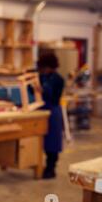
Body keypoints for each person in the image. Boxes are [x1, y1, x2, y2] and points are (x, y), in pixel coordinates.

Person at [37, 51, 64, 179]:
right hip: (41, 110)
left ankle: (51, 168)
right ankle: (38, 165)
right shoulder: (41, 76)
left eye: (45, 68)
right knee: (40, 141)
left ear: (51, 67)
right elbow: (34, 90)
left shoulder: (59, 80)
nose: (43, 71)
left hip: (53, 112)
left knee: (52, 143)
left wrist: (43, 91)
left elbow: (54, 98)